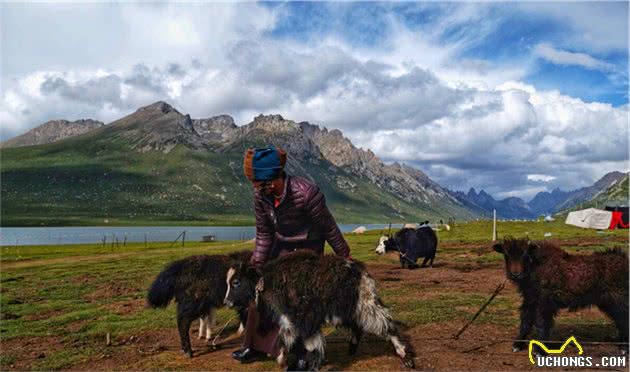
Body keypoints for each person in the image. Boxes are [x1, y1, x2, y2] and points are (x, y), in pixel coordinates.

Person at [232, 146, 351, 364]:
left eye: (257, 182)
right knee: (260, 292)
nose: (255, 187)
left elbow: (329, 228)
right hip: (280, 246)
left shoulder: (307, 193)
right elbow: (264, 234)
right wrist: (255, 265)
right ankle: (255, 346)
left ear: (271, 178)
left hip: (308, 250)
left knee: (298, 300)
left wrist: (344, 256)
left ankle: (303, 353)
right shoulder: (261, 196)